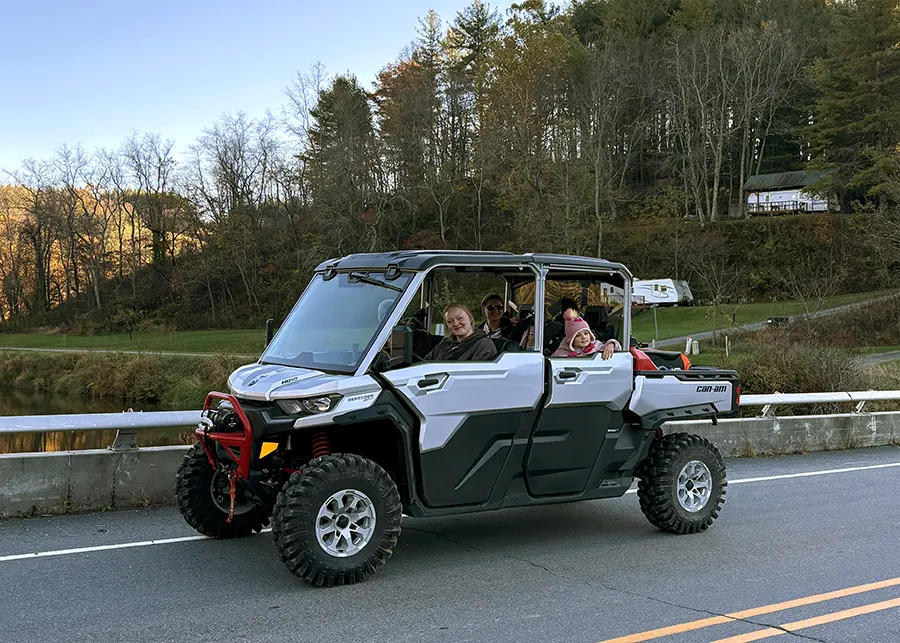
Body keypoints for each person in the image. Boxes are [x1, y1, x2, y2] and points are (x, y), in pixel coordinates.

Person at [426, 303, 498, 361]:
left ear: (470, 318)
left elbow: (477, 373)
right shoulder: (445, 343)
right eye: (450, 321)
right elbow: (426, 363)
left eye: (460, 318)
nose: (455, 323)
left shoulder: (484, 345)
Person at [551, 308, 621, 359]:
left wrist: (611, 344)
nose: (583, 337)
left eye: (586, 333)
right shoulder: (562, 353)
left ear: (590, 335)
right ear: (570, 339)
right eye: (578, 335)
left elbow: (617, 348)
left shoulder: (596, 346)